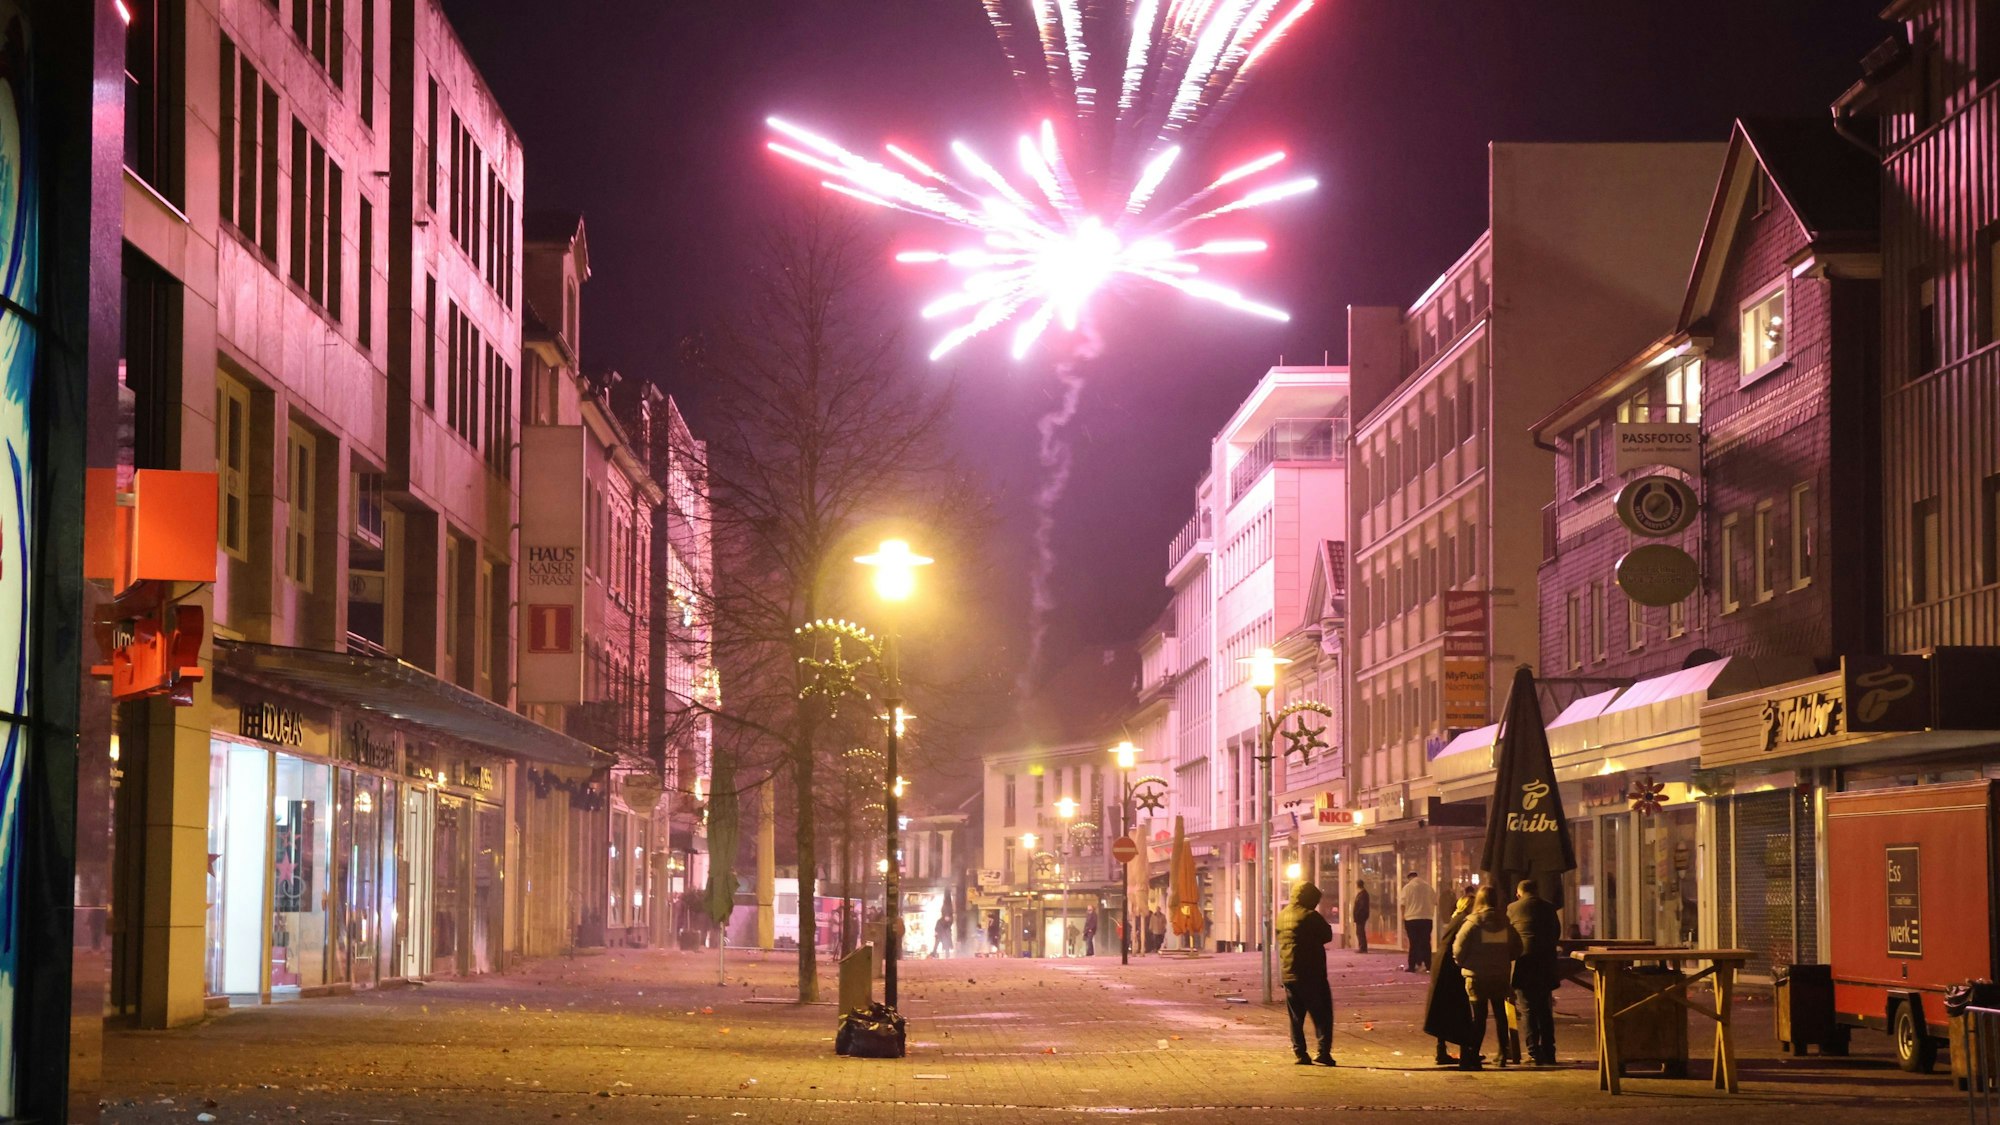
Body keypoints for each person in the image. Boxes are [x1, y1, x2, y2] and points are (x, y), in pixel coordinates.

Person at [1453, 884, 1523, 1070]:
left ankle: (1474, 1054)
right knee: (1500, 1014)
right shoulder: (1505, 923)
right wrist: (1503, 959)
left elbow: (1458, 949)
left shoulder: (1472, 923)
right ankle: (1502, 1054)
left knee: (1479, 1017)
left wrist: (1465, 963)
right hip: (1499, 975)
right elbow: (1518, 947)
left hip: (1477, 976)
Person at [1276, 881, 1337, 1066]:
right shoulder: (1310, 915)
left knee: (1296, 1017)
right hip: (1311, 973)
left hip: (1289, 973)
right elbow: (1327, 935)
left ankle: (1300, 1053)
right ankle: (1323, 1052)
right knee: (1322, 1014)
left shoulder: (1282, 916)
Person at [1508, 877, 1562, 1066]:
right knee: (1545, 1009)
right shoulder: (1549, 907)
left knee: (1527, 1008)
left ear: (1519, 893)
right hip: (1545, 962)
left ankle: (1533, 1052)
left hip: (1524, 962)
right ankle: (1549, 1052)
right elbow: (1556, 932)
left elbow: (1509, 935)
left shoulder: (1512, 908)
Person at [1422, 887, 1477, 1066]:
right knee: (1461, 1008)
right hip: (1451, 967)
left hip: (1441, 965)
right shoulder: (1465, 921)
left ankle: (1441, 1050)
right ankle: (1466, 1052)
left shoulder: (1455, 919)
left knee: (1442, 1008)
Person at [1399, 870, 1438, 973]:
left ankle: (1412, 966)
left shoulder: (1407, 888)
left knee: (1413, 943)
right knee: (1426, 942)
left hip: (1411, 919)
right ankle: (1428, 965)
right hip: (1426, 918)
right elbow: (1435, 902)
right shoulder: (1428, 887)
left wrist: (1403, 916)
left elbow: (1402, 904)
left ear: (1409, 878)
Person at [1352, 881, 1372, 953]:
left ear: (1358, 885)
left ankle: (1363, 947)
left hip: (1361, 916)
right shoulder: (1362, 894)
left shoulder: (1363, 894)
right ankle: (1362, 947)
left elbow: (1362, 906)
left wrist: (1357, 913)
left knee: (1360, 932)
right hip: (1360, 916)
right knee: (1359, 932)